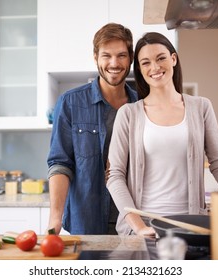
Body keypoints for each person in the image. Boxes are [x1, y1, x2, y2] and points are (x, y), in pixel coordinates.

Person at [107, 32, 218, 236]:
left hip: (191, 226)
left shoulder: (201, 107)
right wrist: (139, 227)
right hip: (143, 227)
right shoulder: (128, 114)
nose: (154, 67)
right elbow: (114, 176)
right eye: (145, 63)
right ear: (140, 70)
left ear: (173, 58)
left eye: (160, 58)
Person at [46, 23, 137, 235]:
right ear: (95, 57)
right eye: (107, 55)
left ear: (130, 58)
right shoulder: (70, 102)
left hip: (133, 224)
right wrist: (55, 219)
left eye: (121, 55)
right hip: (86, 222)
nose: (114, 63)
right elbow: (60, 163)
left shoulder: (142, 105)